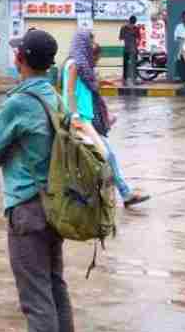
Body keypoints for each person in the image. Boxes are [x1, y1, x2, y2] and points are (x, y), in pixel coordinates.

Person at [0, 29, 75, 332]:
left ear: (22, 59)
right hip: (55, 207)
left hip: (27, 209)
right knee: (55, 291)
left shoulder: (19, 103)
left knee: (37, 300)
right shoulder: (54, 97)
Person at [63, 31, 150, 209]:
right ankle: (118, 194)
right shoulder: (74, 64)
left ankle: (115, 194)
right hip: (80, 120)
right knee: (105, 155)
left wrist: (104, 84)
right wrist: (75, 116)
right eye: (90, 41)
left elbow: (87, 86)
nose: (92, 44)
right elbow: (70, 91)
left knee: (100, 157)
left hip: (86, 118)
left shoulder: (82, 65)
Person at [119, 15, 140, 84]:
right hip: (133, 49)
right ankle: (134, 79)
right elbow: (138, 39)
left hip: (127, 49)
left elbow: (120, 38)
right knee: (134, 65)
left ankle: (125, 79)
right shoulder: (136, 28)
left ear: (129, 20)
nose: (132, 25)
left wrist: (126, 37)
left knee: (126, 65)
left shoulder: (123, 28)